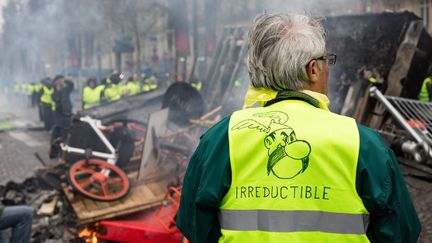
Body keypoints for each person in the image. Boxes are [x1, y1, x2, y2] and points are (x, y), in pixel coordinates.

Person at [177, 13, 421, 243]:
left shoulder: (221, 139)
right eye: (327, 60)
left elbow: (196, 227)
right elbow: (400, 232)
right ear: (313, 69)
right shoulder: (362, 144)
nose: (329, 68)